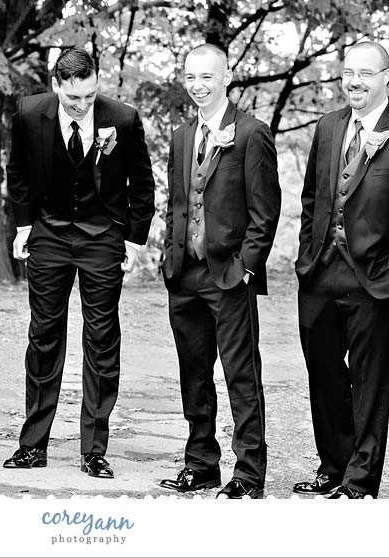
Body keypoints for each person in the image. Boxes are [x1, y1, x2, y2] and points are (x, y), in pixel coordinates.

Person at [3, 49, 155, 478]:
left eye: (90, 96)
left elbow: (142, 184)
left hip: (103, 235)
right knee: (44, 336)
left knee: (102, 340)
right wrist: (22, 226)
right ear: (56, 86)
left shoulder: (123, 119)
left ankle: (94, 449)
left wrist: (133, 241)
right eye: (74, 98)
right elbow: (17, 172)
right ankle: (33, 445)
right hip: (49, 233)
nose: (83, 105)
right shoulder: (30, 113)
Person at [293, 41, 389, 498]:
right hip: (318, 273)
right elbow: (312, 196)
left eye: (365, 73)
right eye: (348, 72)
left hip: (372, 279)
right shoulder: (329, 126)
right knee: (324, 373)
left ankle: (359, 482)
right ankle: (333, 466)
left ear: (386, 77)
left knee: (371, 384)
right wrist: (305, 255)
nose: (354, 81)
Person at [158, 44, 281, 499]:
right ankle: (201, 464)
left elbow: (265, 212)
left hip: (229, 274)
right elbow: (177, 203)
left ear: (226, 77)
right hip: (184, 274)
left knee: (240, 375)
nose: (197, 85)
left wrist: (246, 268)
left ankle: (249, 473)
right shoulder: (180, 136)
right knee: (193, 372)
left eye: (206, 77)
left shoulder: (251, 133)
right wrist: (169, 255)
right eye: (190, 77)